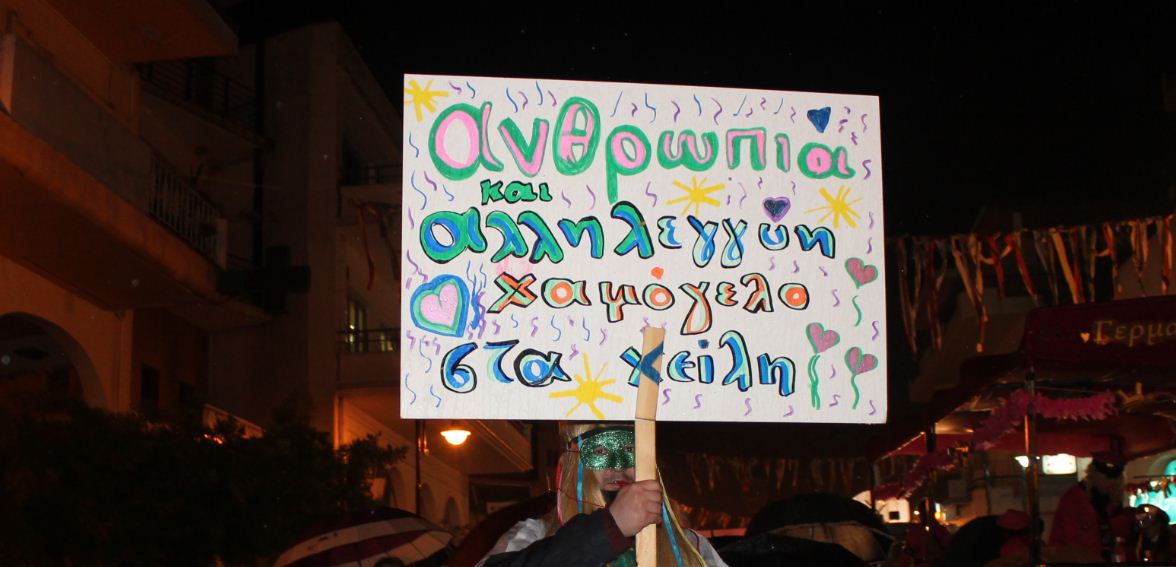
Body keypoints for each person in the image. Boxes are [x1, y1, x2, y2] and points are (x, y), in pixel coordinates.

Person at [478, 423, 727, 567]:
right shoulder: (534, 534)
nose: (617, 466)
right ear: (572, 465)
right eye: (600, 451)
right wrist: (608, 529)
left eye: (629, 448)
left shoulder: (690, 546)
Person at [1047, 450, 1136, 561]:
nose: (1110, 482)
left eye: (1115, 479)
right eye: (1105, 477)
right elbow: (1074, 544)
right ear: (1094, 474)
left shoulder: (1113, 502)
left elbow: (1120, 537)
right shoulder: (1074, 499)